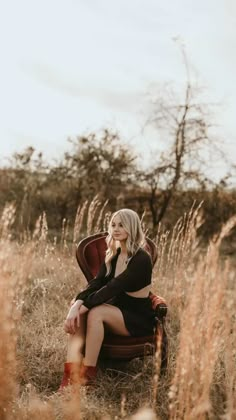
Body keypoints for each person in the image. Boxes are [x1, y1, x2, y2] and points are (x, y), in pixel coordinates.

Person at [59, 208, 156, 389]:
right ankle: (70, 376)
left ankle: (88, 376)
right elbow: (96, 283)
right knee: (82, 311)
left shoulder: (141, 259)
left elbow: (111, 289)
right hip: (117, 309)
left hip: (136, 318)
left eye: (122, 225)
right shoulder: (114, 254)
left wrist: (80, 308)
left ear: (132, 227)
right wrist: (77, 304)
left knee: (96, 313)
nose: (116, 229)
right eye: (113, 225)